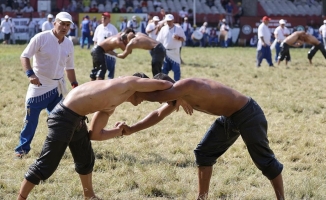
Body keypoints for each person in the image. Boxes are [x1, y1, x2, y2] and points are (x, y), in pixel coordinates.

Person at [121, 73, 285, 200]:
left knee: (264, 161)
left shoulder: (185, 86)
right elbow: (157, 114)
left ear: (166, 89)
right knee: (203, 153)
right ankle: (202, 197)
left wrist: (137, 90)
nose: (161, 101)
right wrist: (131, 129)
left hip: (248, 114)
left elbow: (158, 97)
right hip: (230, 118)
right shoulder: (177, 96)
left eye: (162, 96)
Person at [16, 73, 176, 200]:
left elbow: (94, 134)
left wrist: (119, 131)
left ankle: (89, 196)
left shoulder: (111, 105)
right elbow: (164, 84)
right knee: (46, 165)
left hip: (76, 118)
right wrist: (181, 95)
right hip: (63, 117)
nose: (144, 100)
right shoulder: (126, 83)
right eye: (145, 95)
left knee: (86, 159)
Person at [14, 12, 78, 158]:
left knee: (60, 120)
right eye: (62, 23)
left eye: (67, 25)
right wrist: (30, 74)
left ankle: (57, 149)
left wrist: (74, 84)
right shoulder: (41, 37)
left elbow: (69, 67)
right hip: (39, 85)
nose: (64, 27)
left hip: (57, 89)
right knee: (30, 120)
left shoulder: (69, 43)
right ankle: (21, 150)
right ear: (54, 23)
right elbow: (24, 56)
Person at [156, 14, 186, 81]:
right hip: (166, 52)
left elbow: (184, 39)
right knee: (164, 70)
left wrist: (178, 37)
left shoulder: (178, 28)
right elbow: (158, 40)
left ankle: (177, 84)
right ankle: (163, 84)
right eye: (167, 21)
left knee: (176, 70)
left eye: (170, 21)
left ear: (173, 20)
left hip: (175, 52)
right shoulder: (163, 29)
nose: (169, 22)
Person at [91, 12, 118, 80]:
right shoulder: (98, 27)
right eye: (102, 17)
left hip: (110, 55)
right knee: (98, 73)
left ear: (109, 19)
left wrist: (110, 50)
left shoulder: (113, 29)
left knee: (110, 74)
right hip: (99, 54)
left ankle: (109, 88)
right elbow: (95, 40)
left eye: (105, 18)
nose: (103, 19)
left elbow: (117, 42)